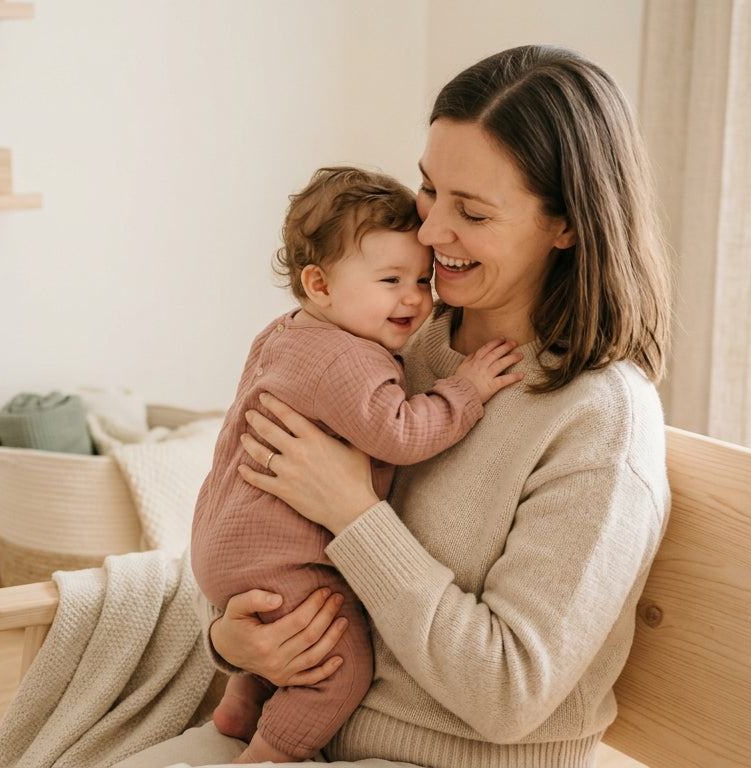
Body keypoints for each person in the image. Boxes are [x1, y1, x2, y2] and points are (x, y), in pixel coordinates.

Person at [119, 43, 673, 768]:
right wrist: (231, 638)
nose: (432, 231)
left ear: (565, 225)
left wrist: (354, 513)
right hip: (307, 732)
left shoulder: (598, 421)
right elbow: (251, 531)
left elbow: (509, 693)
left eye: (470, 211)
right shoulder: (389, 340)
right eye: (429, 190)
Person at [190, 166, 525, 764]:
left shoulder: (282, 333)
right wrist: (464, 391)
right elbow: (399, 432)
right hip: (281, 556)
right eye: (391, 279)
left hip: (224, 542)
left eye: (421, 280)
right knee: (339, 662)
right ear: (318, 284)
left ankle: (242, 701)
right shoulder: (354, 360)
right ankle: (268, 752)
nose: (415, 298)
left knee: (286, 632)